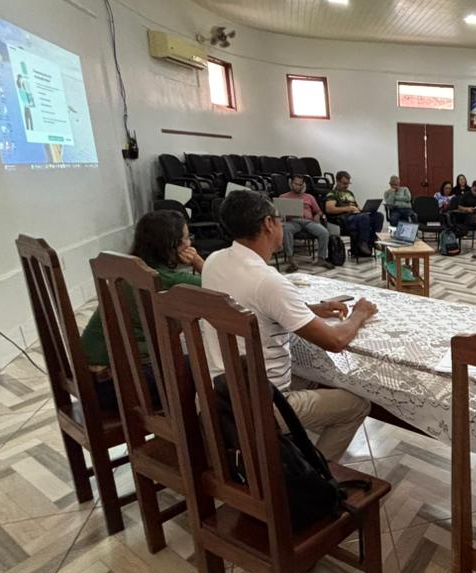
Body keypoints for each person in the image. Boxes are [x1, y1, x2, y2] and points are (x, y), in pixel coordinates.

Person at [203, 190, 378, 459]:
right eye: (279, 219)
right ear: (268, 224)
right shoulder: (268, 281)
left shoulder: (214, 261)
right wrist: (360, 314)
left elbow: (253, 306)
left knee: (313, 371)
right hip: (263, 403)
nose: (282, 225)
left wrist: (311, 310)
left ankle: (292, 449)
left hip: (222, 390)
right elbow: (335, 341)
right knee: (357, 404)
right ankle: (318, 475)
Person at [80, 210, 204, 411]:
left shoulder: (129, 267)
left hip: (88, 380)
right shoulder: (166, 278)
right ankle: (190, 427)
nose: (190, 243)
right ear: (171, 245)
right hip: (118, 386)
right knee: (208, 365)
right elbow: (220, 287)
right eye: (186, 238)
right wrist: (198, 262)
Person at [323, 171, 383, 258]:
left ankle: (373, 240)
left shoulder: (349, 193)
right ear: (337, 181)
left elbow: (355, 206)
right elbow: (329, 209)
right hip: (345, 219)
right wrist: (348, 209)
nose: (346, 185)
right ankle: (362, 242)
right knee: (364, 217)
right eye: (344, 183)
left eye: (348, 183)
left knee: (378, 216)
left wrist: (361, 209)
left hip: (357, 216)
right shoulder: (332, 194)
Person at [278, 175, 332, 273]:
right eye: (296, 184)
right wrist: (284, 215)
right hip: (292, 221)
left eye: (300, 184)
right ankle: (291, 260)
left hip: (308, 221)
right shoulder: (283, 197)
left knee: (324, 232)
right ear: (291, 184)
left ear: (303, 185)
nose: (298, 186)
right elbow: (278, 214)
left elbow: (319, 211)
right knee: (286, 229)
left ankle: (321, 258)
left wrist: (317, 215)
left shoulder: (309, 197)